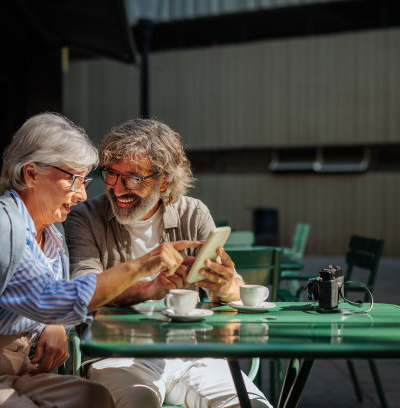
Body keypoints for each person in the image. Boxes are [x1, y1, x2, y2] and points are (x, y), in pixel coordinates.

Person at [0, 112, 199, 408]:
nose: (83, 194)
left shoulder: (52, 235)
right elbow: (49, 299)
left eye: (85, 180)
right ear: (31, 174)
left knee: (95, 398)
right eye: (73, 179)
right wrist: (141, 265)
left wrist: (53, 326)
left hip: (21, 368)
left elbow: (39, 300)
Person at [65, 118, 272, 408]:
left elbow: (233, 292)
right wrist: (149, 289)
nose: (118, 188)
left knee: (253, 405)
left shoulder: (193, 213)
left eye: (134, 178)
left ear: (164, 181)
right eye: (111, 174)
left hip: (193, 352)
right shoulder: (85, 217)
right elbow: (82, 294)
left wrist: (225, 286)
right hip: (118, 354)